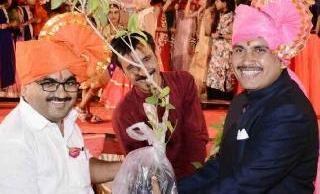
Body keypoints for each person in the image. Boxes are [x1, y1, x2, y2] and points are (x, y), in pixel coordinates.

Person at [175, 0, 319, 193]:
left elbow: (243, 184)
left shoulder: (289, 113)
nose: (246, 60)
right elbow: (222, 166)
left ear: (281, 56)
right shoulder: (242, 101)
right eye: (239, 49)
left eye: (260, 49)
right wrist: (173, 189)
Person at [0, 18, 120, 194]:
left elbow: (77, 169)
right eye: (49, 83)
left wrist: (130, 165)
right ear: (25, 88)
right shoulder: (15, 140)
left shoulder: (67, 121)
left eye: (69, 83)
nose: (62, 93)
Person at [110, 31, 209, 180]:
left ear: (156, 55)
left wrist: (193, 182)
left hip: (193, 177)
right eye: (132, 67)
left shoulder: (183, 82)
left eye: (146, 59)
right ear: (123, 73)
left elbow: (196, 137)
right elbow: (139, 165)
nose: (143, 70)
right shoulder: (123, 114)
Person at [206, 0, 236, 101]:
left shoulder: (233, 16)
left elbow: (234, 35)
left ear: (225, 2)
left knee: (224, 76)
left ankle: (223, 102)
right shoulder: (218, 14)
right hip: (216, 51)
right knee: (213, 76)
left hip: (226, 52)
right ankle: (212, 100)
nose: (216, 3)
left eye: (218, 1)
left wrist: (221, 35)